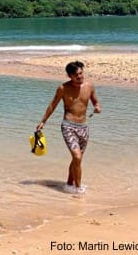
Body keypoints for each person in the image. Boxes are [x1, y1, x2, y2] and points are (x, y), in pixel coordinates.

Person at [35, 61, 101, 194]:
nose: (80, 77)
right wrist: (43, 121)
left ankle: (69, 185)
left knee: (77, 159)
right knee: (77, 157)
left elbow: (95, 101)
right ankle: (78, 189)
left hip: (84, 127)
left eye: (81, 73)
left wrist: (97, 107)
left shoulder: (89, 86)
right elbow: (52, 105)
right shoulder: (63, 89)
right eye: (76, 75)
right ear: (70, 76)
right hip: (68, 126)